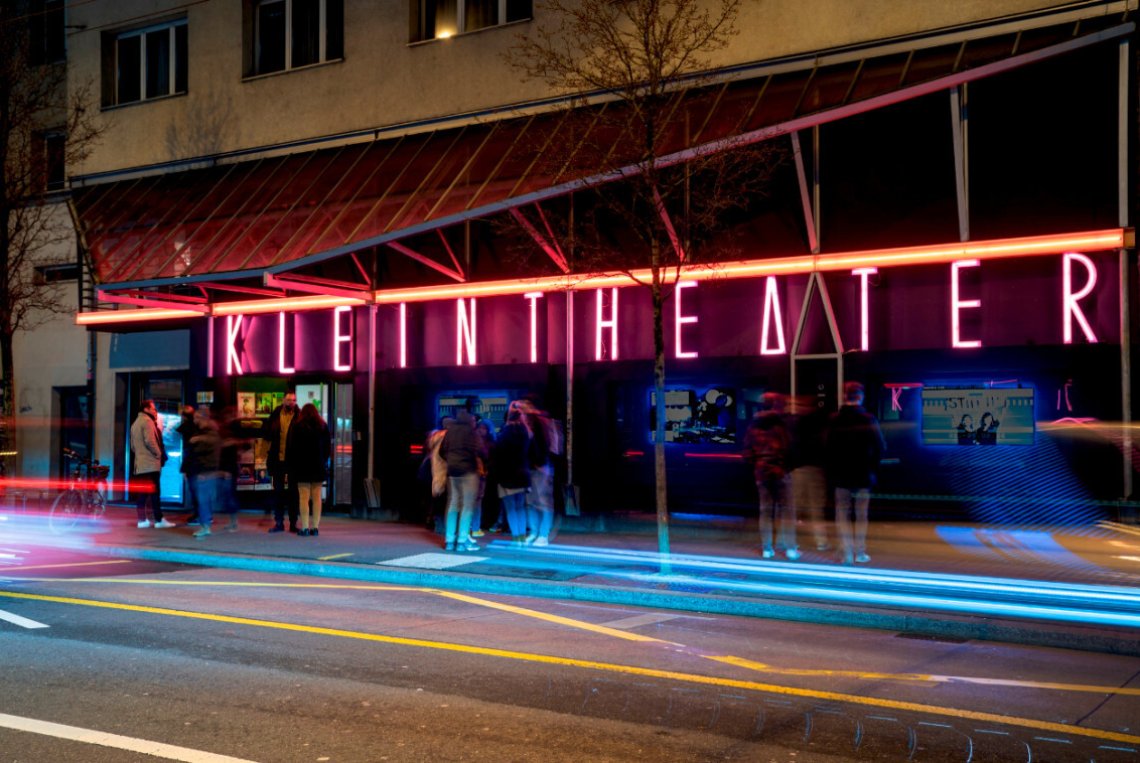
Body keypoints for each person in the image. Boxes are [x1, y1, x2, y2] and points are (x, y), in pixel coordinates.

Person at [824, 381, 885, 565]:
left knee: (842, 515)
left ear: (845, 397)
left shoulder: (834, 419)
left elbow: (827, 449)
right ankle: (860, 552)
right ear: (860, 397)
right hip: (863, 476)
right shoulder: (869, 419)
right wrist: (872, 468)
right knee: (861, 516)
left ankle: (847, 553)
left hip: (841, 477)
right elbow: (880, 447)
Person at [743, 392, 796, 560]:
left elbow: (747, 451)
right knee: (786, 511)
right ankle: (790, 549)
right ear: (775, 405)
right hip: (780, 471)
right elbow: (790, 447)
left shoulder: (754, 425)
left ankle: (767, 549)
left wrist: (758, 463)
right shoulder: (781, 424)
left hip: (761, 472)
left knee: (765, 511)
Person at [789, 396, 830, 552]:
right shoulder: (820, 422)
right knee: (816, 508)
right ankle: (821, 542)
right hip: (816, 469)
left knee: (794, 507)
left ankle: (789, 542)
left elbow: (791, 446)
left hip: (799, 469)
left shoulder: (794, 423)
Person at [439, 408, 484, 552]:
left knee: (452, 504)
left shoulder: (450, 431)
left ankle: (449, 540)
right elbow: (480, 450)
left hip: (453, 472)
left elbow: (441, 451)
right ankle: (462, 541)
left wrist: (451, 460)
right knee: (467, 506)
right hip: (468, 471)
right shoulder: (471, 432)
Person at [287, 403, 332, 537]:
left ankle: (305, 527)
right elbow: (327, 448)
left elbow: (292, 448)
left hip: (302, 467)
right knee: (317, 498)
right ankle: (315, 528)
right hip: (318, 466)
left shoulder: (297, 426)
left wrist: (292, 465)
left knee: (303, 498)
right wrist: (322, 460)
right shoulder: (323, 426)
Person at [130, 399, 175, 529]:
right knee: (155, 493)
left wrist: (141, 454)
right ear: (146, 409)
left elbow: (133, 446)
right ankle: (159, 520)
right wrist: (158, 453)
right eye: (153, 408)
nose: (155, 411)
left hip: (140, 464)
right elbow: (150, 441)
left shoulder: (135, 423)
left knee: (143, 493)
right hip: (150, 464)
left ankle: (142, 520)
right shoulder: (148, 422)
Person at [491, 402, 531, 545]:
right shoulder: (525, 433)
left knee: (510, 508)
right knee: (520, 506)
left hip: (507, 475)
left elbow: (497, 454)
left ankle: (515, 537)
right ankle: (522, 536)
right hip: (522, 474)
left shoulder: (505, 433)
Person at [520, 398, 557, 547]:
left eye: (524, 406)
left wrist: (541, 462)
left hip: (541, 466)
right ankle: (534, 532)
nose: (522, 409)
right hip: (529, 467)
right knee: (530, 502)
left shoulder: (540, 422)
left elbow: (545, 443)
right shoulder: (524, 423)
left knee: (543, 501)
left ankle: (543, 534)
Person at [263, 391, 299, 533]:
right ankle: (278, 522)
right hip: (277, 459)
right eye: (289, 400)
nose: (292, 402)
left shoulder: (299, 416)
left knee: (293, 492)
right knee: (278, 492)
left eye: (294, 400)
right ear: (283, 400)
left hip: (293, 460)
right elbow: (266, 433)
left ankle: (293, 523)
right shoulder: (275, 414)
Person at [187, 407, 222, 538]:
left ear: (203, 418)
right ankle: (205, 525)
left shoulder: (209, 434)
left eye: (197, 418)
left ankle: (205, 526)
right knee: (203, 499)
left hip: (205, 471)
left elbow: (205, 453)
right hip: (204, 471)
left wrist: (203, 471)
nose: (195, 420)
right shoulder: (205, 433)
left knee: (203, 500)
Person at [175, 405, 200, 525]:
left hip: (192, 464)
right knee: (198, 491)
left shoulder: (187, 428)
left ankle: (200, 515)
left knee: (195, 490)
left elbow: (187, 450)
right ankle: (202, 514)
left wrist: (184, 468)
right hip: (198, 464)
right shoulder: (198, 427)